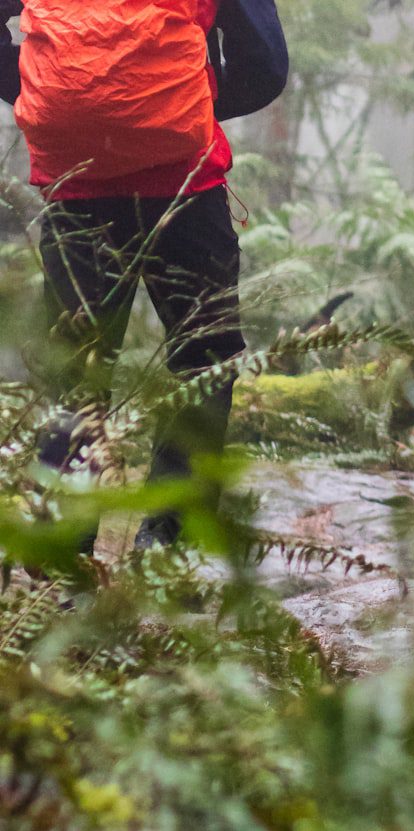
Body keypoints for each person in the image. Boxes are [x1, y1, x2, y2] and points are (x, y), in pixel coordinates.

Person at [1, 0, 289, 553]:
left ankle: (63, 553)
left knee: (76, 369)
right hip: (187, 189)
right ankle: (167, 544)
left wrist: (52, 94)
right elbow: (265, 66)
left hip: (77, 188)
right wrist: (176, 105)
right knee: (202, 362)